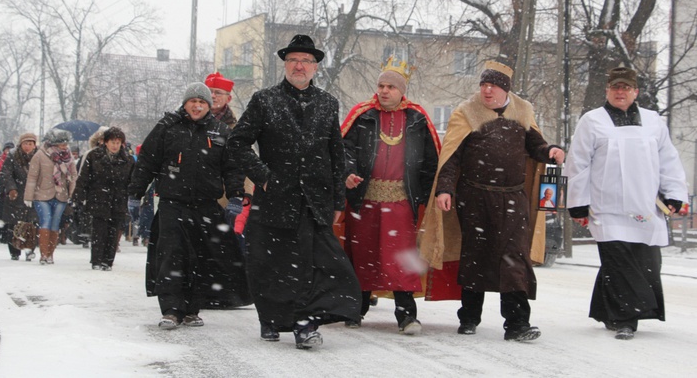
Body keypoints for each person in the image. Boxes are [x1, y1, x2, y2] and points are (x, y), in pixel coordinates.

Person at [228, 34, 362, 350]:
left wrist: (338, 199)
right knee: (268, 264)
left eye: (305, 61)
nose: (299, 66)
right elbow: (237, 143)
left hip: (313, 201)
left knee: (316, 266)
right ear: (285, 65)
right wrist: (262, 176)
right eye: (293, 60)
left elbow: (335, 153)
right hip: (274, 197)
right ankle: (271, 319)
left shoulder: (327, 103)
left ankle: (305, 324)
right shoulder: (265, 100)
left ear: (315, 67)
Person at [419, 60, 565, 342]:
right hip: (475, 197)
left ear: (505, 89)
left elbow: (536, 145)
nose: (487, 90)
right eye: (484, 84)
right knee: (476, 256)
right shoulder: (467, 112)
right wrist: (444, 189)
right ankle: (470, 317)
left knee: (514, 260)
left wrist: (551, 151)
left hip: (513, 198)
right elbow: (452, 158)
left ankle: (517, 324)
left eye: (493, 86)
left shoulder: (522, 111)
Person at [564, 66, 688, 341]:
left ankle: (607, 310)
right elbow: (579, 164)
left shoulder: (654, 121)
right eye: (615, 87)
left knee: (647, 263)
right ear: (607, 90)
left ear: (636, 92)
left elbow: (669, 160)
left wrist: (675, 193)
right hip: (606, 208)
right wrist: (578, 202)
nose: (620, 92)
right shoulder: (592, 120)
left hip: (645, 206)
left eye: (626, 88)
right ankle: (626, 319)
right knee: (619, 261)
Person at [128, 82, 251, 329]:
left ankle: (192, 309)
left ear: (208, 106)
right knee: (171, 256)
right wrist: (135, 193)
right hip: (173, 204)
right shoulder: (167, 128)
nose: (197, 106)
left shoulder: (219, 131)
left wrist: (236, 196)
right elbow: (147, 163)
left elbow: (232, 167)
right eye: (193, 101)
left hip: (206, 205)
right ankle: (172, 310)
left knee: (200, 258)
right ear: (185, 104)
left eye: (202, 102)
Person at [339, 57, 440, 334]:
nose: (384, 91)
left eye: (390, 87)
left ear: (401, 90)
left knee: (401, 258)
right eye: (381, 86)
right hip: (365, 199)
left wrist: (429, 196)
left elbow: (431, 162)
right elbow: (342, 149)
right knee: (361, 254)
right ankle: (354, 311)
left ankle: (406, 316)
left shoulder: (418, 119)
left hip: (401, 202)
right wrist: (347, 172)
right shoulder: (362, 115)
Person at [72, 127, 134, 270]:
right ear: (105, 142)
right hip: (99, 197)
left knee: (114, 231)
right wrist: (78, 195)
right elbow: (84, 178)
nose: (115, 145)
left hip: (118, 199)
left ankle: (108, 261)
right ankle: (97, 260)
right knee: (99, 230)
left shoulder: (128, 160)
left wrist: (134, 193)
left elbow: (132, 180)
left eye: (118, 142)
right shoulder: (94, 156)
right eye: (112, 142)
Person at [24, 128, 78, 265]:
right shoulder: (40, 155)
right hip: (42, 194)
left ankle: (50, 254)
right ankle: (43, 254)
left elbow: (73, 176)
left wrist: (73, 194)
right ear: (53, 143)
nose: (64, 146)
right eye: (61, 144)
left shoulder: (69, 156)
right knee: (45, 220)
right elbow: (32, 177)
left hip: (61, 194)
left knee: (55, 223)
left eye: (66, 143)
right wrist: (28, 196)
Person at [2, 133, 39, 261]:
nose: (28, 147)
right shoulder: (13, 156)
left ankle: (29, 249)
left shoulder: (39, 156)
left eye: (30, 144)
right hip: (17, 194)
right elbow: (7, 174)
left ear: (35, 145)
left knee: (32, 224)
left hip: (34, 194)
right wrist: (12, 188)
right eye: (25, 144)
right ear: (20, 144)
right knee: (15, 224)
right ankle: (14, 250)